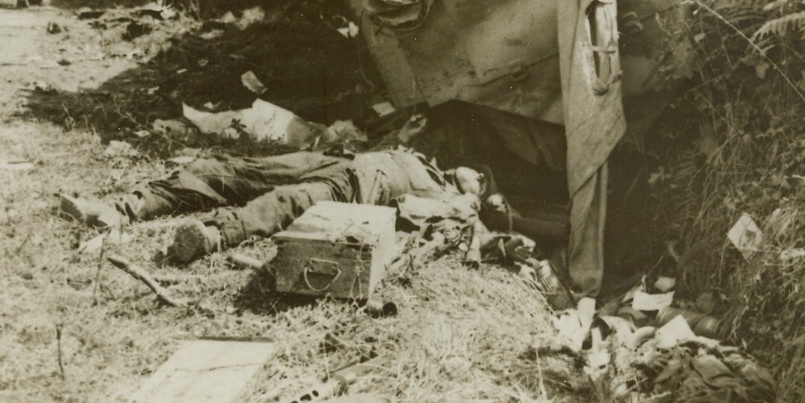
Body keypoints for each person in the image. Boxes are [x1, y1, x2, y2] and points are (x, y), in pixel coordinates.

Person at [60, 148, 489, 267]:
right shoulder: (424, 158)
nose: (476, 174)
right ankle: (120, 209)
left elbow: (420, 220)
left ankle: (211, 235)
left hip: (351, 188)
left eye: (483, 181)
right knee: (227, 170)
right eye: (477, 172)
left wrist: (466, 203)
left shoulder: (455, 201)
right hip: (332, 160)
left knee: (283, 203)